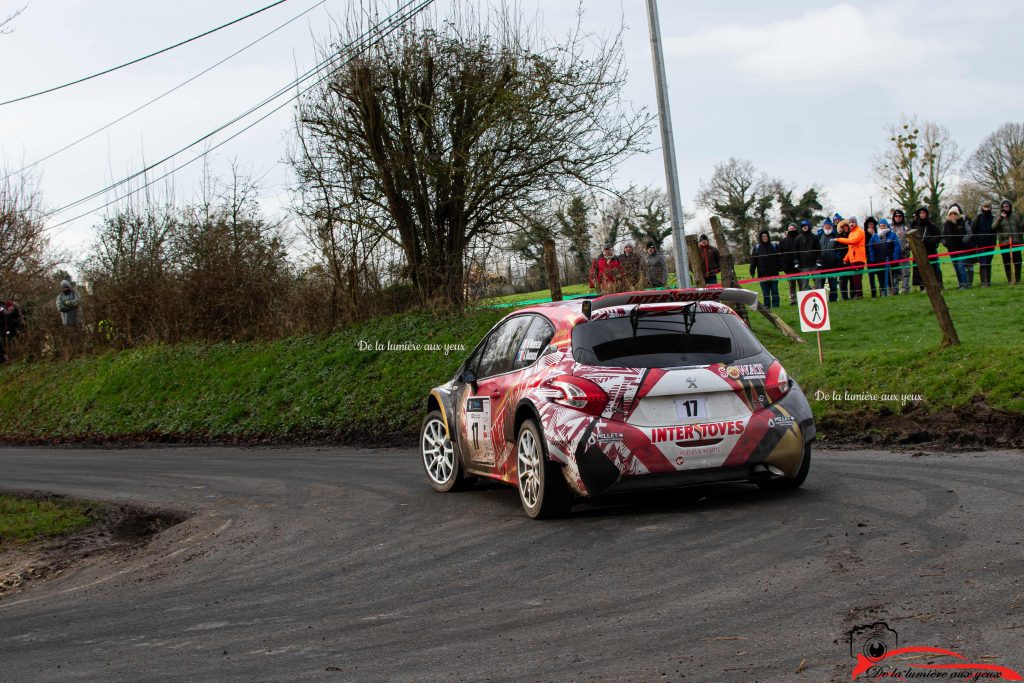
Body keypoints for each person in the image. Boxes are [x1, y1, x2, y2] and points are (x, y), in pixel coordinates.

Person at [910, 207, 943, 289]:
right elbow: (910, 237)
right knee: (920, 269)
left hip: (930, 250)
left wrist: (930, 241)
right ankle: (923, 287)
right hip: (918, 250)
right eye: (921, 213)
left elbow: (938, 235)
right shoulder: (914, 225)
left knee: (934, 268)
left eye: (924, 212)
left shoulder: (931, 225)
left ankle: (938, 285)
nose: (922, 214)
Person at [993, 199, 1024, 284]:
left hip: (1015, 242)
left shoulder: (1015, 216)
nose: (1005, 208)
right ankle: (1010, 280)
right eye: (1003, 207)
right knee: (1006, 262)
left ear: (1010, 207)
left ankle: (1017, 280)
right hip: (1004, 243)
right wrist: (1000, 218)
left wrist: (1021, 242)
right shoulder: (997, 216)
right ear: (1001, 208)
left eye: (1007, 206)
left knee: (1018, 261)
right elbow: (993, 227)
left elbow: (1019, 229)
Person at [749, 229, 781, 308]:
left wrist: (781, 267)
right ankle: (767, 306)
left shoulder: (774, 246)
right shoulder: (757, 247)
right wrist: (752, 270)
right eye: (763, 236)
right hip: (762, 274)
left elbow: (779, 258)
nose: (764, 238)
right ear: (761, 237)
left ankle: (776, 305)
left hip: (774, 273)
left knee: (774, 290)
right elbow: (753, 260)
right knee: (765, 292)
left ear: (768, 237)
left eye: (766, 236)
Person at [835, 216, 866, 299]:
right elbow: (850, 248)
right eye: (850, 223)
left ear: (856, 223)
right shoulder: (851, 233)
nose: (851, 224)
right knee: (855, 278)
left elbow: (852, 242)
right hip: (853, 259)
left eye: (853, 222)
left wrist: (839, 239)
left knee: (857, 278)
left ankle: (859, 295)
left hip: (858, 258)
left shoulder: (860, 231)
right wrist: (846, 258)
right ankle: (858, 294)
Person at [942, 205, 972, 289]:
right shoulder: (946, 224)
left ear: (957, 214)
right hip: (951, 250)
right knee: (956, 268)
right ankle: (960, 284)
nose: (953, 216)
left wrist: (963, 240)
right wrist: (945, 243)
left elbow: (969, 233)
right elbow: (943, 235)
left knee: (961, 267)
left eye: (954, 214)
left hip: (961, 249)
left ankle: (965, 284)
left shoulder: (963, 223)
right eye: (951, 214)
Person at [870, 219, 901, 296]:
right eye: (881, 226)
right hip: (879, 261)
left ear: (887, 226)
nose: (882, 227)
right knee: (880, 278)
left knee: (891, 278)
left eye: (884, 226)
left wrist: (895, 259)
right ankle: (883, 292)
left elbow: (897, 248)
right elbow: (871, 248)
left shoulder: (893, 235)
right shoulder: (875, 237)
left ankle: (892, 291)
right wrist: (872, 259)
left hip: (890, 260)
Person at [972, 201, 997, 287]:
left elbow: (995, 230)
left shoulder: (993, 218)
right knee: (983, 263)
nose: (986, 208)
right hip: (980, 245)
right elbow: (973, 230)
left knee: (988, 263)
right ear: (982, 207)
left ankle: (988, 282)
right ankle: (983, 282)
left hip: (990, 245)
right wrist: (977, 242)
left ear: (990, 208)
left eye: (988, 207)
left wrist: (993, 241)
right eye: (985, 207)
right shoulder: (978, 217)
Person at [817, 219, 841, 300]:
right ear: (823, 227)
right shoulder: (819, 236)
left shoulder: (835, 236)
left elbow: (839, 248)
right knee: (821, 284)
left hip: (832, 265)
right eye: (826, 226)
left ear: (831, 227)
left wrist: (836, 258)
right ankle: (821, 300)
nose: (827, 227)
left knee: (833, 284)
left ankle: (833, 299)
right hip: (821, 265)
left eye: (829, 226)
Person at [890, 209, 911, 294]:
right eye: (896, 216)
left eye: (899, 216)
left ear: (902, 217)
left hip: (904, 254)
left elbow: (910, 241)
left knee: (905, 273)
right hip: (893, 255)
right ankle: (895, 290)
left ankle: (905, 289)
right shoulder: (890, 228)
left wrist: (905, 248)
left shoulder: (906, 228)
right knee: (894, 273)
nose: (897, 218)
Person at [795, 220, 820, 292]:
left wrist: (818, 260)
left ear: (809, 226)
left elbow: (818, 249)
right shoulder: (798, 238)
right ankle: (806, 297)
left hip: (814, 263)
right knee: (804, 283)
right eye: (803, 226)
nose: (804, 228)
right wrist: (796, 261)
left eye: (806, 226)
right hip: (803, 264)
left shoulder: (814, 237)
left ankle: (820, 296)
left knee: (817, 281)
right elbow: (796, 251)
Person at [779, 223, 800, 304]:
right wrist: (784, 267)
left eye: (793, 228)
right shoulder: (783, 241)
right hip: (789, 267)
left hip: (800, 267)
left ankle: (803, 298)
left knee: (801, 283)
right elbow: (780, 255)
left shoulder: (800, 238)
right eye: (790, 228)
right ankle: (793, 299)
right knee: (791, 285)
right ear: (788, 229)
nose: (792, 230)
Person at [863, 217, 881, 297]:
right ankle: (873, 292)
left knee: (880, 274)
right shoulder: (864, 235)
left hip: (878, 256)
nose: (871, 226)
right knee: (871, 276)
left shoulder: (877, 233)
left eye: (872, 224)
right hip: (869, 257)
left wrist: (873, 234)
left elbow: (879, 243)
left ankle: (882, 291)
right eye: (869, 224)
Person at [834, 220, 852, 300]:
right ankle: (844, 296)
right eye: (842, 227)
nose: (844, 228)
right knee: (842, 280)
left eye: (845, 227)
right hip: (841, 261)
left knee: (852, 278)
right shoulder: (837, 236)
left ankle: (853, 294)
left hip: (851, 260)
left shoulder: (851, 235)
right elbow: (835, 248)